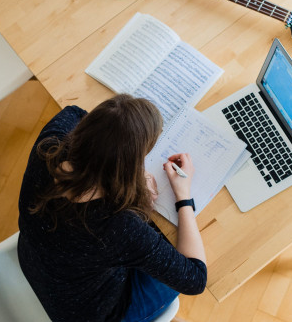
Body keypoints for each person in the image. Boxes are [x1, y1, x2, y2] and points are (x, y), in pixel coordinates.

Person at [18, 94, 207, 322]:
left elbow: (75, 112)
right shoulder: (117, 226)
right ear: (127, 168)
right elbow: (195, 279)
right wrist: (183, 195)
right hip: (91, 313)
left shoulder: (48, 144)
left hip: (36, 263)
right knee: (170, 260)